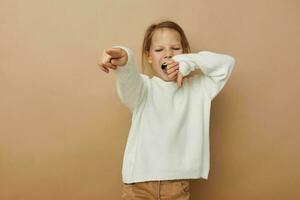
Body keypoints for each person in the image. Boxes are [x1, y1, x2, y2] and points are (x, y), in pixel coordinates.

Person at [98, 20, 235, 200]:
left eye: (176, 49)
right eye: (159, 49)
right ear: (148, 56)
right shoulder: (143, 88)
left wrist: (187, 62)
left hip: (176, 186)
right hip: (138, 186)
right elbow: (128, 76)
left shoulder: (198, 89)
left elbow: (227, 63)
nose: (169, 54)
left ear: (184, 52)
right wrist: (124, 56)